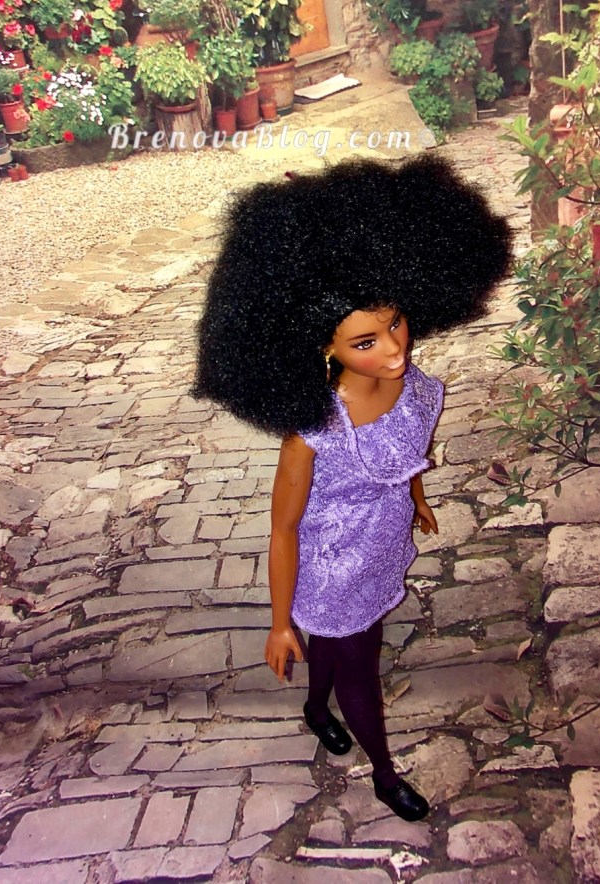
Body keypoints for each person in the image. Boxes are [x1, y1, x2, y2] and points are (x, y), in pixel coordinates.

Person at [194, 153, 512, 821]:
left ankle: (316, 710)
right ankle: (385, 775)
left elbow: (409, 452)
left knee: (338, 650)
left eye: (396, 322)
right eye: (366, 341)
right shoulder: (312, 433)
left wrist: (416, 497)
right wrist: (280, 622)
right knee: (357, 660)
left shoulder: (412, 385)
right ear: (324, 348)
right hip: (332, 564)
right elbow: (283, 528)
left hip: (381, 540)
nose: (394, 348)